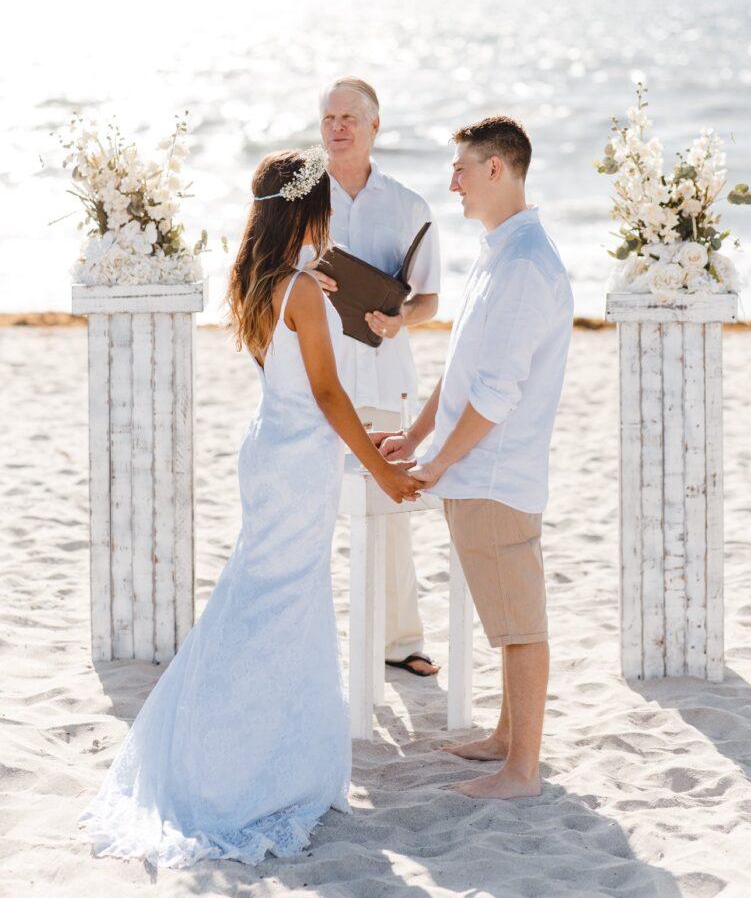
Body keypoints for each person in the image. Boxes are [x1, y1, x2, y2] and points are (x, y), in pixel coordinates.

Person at [79, 147, 420, 868]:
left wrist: (370, 434)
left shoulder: (260, 279)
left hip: (273, 449)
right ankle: (246, 764)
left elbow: (305, 388)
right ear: (309, 209)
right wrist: (380, 471)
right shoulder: (301, 290)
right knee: (280, 605)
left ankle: (257, 750)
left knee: (264, 597)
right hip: (299, 463)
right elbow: (327, 395)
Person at [376, 116, 573, 799]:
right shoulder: (500, 252)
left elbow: (496, 394)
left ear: (497, 170)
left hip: (496, 471)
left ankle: (521, 772)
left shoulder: (523, 265)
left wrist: (435, 464)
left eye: (462, 168)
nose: (452, 182)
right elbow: (462, 372)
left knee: (520, 625)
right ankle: (503, 739)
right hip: (476, 467)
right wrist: (417, 438)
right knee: (508, 614)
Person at [308, 77, 442, 679]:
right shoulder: (299, 199)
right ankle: (308, 640)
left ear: (374, 126)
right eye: (329, 117)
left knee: (390, 511)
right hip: (316, 378)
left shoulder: (410, 206)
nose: (337, 127)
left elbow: (431, 300)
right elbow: (266, 282)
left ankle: (400, 642)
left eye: (349, 118)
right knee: (309, 509)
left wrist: (399, 318)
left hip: (387, 377)